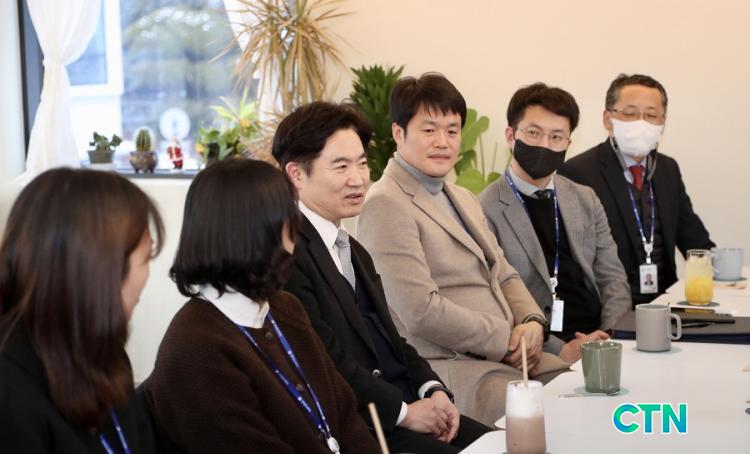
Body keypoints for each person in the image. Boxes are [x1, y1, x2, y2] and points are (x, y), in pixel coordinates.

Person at [275, 101, 490, 453]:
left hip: (405, 405)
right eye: (341, 166)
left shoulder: (353, 248)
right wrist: (404, 413)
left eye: (362, 163)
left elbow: (392, 337)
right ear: (297, 174)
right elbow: (324, 358)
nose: (358, 178)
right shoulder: (289, 254)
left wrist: (433, 390)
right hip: (364, 426)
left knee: (504, 444)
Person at [356, 73, 571, 427]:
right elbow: (419, 311)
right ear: (398, 133)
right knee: (549, 418)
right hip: (455, 366)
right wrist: (504, 340)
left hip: (511, 356)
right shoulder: (385, 204)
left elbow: (503, 272)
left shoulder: (462, 197)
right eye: (429, 130)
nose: (442, 142)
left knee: (584, 392)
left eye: (452, 130)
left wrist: (532, 323)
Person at [146, 159, 378, 453]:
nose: (296, 226)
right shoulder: (196, 350)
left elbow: (344, 412)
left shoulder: (284, 307)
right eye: (287, 214)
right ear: (252, 231)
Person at [0, 168, 164, 453]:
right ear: (99, 270)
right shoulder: (11, 392)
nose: (148, 275)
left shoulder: (104, 353)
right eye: (146, 258)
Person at [478, 83, 629, 354]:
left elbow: (613, 278)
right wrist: (562, 351)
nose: (544, 145)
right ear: (511, 136)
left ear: (568, 144)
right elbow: (496, 301)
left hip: (599, 337)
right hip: (541, 348)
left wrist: (609, 335)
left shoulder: (584, 198)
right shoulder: (484, 209)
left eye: (556, 137)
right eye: (533, 133)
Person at [559, 74, 714, 306]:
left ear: (663, 122)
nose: (641, 123)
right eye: (630, 114)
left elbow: (692, 236)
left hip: (666, 302)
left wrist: (723, 271)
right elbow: (574, 258)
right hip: (607, 306)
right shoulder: (578, 172)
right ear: (608, 119)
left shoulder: (668, 169)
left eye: (651, 115)